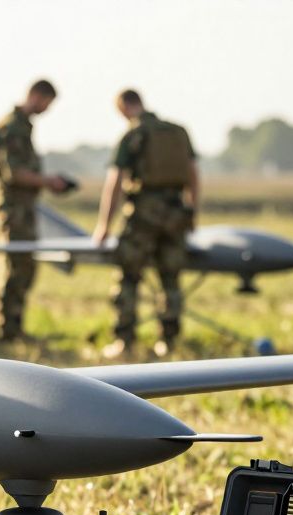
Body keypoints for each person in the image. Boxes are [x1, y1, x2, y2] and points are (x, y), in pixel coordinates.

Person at [92, 89, 199, 358]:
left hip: (144, 216)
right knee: (171, 279)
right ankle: (169, 341)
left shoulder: (134, 135)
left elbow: (115, 181)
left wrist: (104, 224)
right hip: (176, 214)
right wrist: (192, 212)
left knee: (129, 277)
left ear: (125, 107)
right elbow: (193, 174)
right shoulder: (178, 132)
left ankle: (124, 341)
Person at [0, 79, 71, 342]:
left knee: (24, 267)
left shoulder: (21, 126)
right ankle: (8, 330)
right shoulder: (13, 128)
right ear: (36, 95)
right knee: (15, 266)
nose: (46, 109)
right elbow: (15, 174)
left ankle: (14, 327)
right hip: (13, 208)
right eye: (47, 103)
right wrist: (48, 182)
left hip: (22, 207)